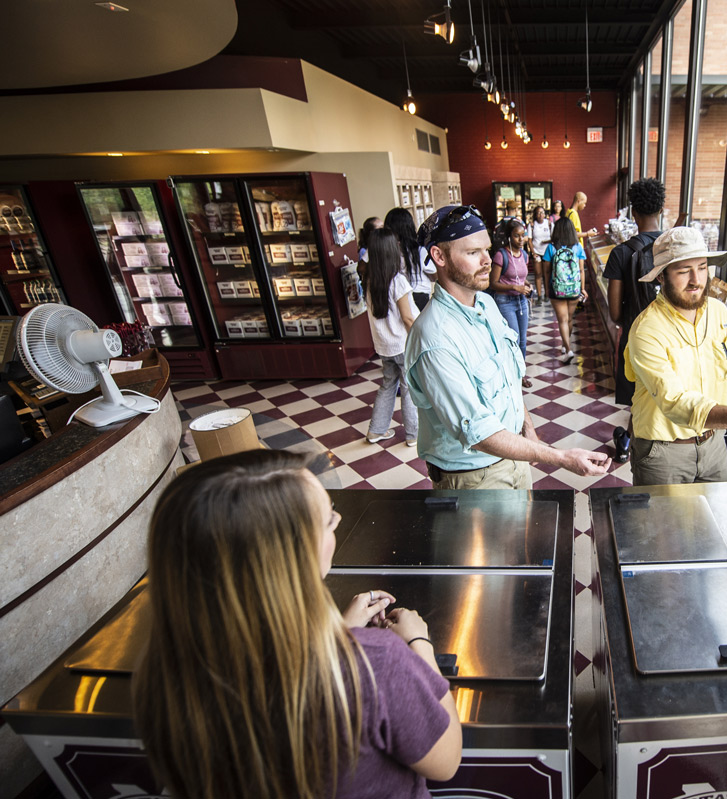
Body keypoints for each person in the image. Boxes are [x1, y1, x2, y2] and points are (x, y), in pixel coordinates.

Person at [134, 449, 462, 799]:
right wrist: (416, 645)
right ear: (291, 556)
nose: (337, 522)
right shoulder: (375, 663)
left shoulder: (160, 676)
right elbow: (445, 761)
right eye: (329, 522)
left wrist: (340, 632)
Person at [406, 205, 611, 490]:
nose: (487, 261)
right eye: (472, 253)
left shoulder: (486, 304)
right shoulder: (435, 338)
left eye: (487, 250)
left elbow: (508, 380)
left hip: (514, 457)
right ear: (439, 256)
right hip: (473, 478)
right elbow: (477, 431)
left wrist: (529, 430)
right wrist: (561, 457)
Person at [624, 226, 727, 485]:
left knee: (721, 520)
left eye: (702, 267)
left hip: (713, 445)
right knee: (664, 526)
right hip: (662, 452)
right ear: (661, 277)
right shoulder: (646, 329)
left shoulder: (720, 313)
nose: (697, 280)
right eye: (683, 271)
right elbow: (674, 402)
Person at [603, 178, 666, 462]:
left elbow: (615, 314)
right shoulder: (676, 250)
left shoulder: (621, 253)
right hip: (673, 341)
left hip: (637, 340)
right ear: (661, 209)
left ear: (634, 213)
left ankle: (632, 445)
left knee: (640, 396)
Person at [360, 227, 419, 445]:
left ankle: (376, 430)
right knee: (409, 388)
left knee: (387, 385)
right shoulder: (397, 281)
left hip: (384, 346)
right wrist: (418, 341)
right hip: (403, 345)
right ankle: (414, 434)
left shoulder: (370, 281)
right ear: (390, 251)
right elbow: (408, 318)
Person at [489, 218, 534, 388]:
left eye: (523, 236)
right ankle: (510, 374)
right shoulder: (501, 255)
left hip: (521, 300)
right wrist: (515, 286)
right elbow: (493, 283)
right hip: (505, 301)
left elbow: (520, 276)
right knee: (512, 339)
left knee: (522, 340)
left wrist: (526, 285)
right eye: (517, 236)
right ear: (509, 237)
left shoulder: (524, 255)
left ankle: (521, 373)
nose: (521, 239)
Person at [542, 218, 588, 365]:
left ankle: (568, 349)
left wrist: (547, 288)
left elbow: (547, 271)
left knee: (562, 319)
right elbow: (581, 270)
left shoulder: (551, 248)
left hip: (557, 290)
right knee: (569, 319)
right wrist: (582, 289)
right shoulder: (578, 248)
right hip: (574, 289)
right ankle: (565, 344)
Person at [385, 207, 435, 311]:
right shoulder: (420, 250)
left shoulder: (389, 249)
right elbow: (434, 276)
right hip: (420, 295)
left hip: (399, 295)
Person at [527, 205, 553, 304]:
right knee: (538, 274)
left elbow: (554, 238)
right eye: (538, 213)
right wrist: (533, 253)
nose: (540, 215)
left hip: (547, 252)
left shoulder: (549, 224)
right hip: (537, 252)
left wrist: (546, 241)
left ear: (545, 214)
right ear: (535, 215)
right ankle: (539, 295)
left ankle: (547, 294)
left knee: (547, 274)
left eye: (542, 212)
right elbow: (529, 240)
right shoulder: (532, 225)